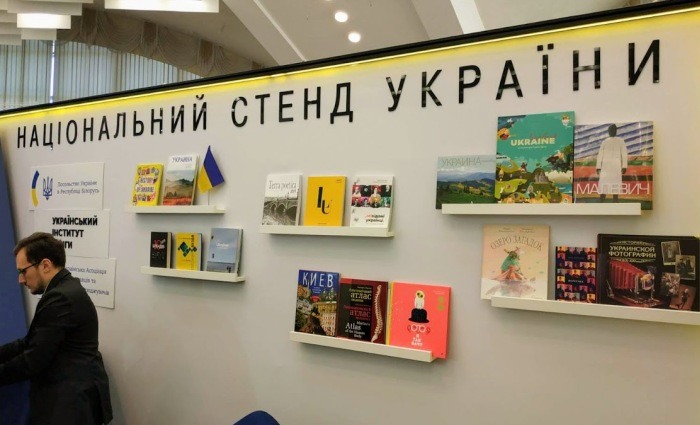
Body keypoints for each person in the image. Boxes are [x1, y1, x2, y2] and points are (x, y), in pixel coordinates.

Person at [0, 232, 112, 424]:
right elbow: (30, 341)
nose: (20, 280)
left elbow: (33, 360)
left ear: (45, 265)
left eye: (23, 271)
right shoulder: (65, 288)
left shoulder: (60, 298)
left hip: (70, 404)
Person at [595, 123, 628, 202]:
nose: (612, 131)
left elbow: (624, 154)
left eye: (613, 130)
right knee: (609, 184)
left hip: (610, 167)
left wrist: (598, 167)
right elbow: (600, 155)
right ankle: (604, 199)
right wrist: (624, 166)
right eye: (612, 130)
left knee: (610, 184)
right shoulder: (616, 141)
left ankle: (608, 200)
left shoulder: (606, 141)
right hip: (610, 167)